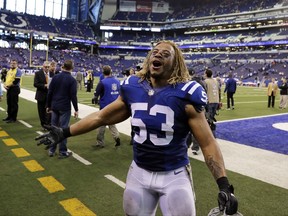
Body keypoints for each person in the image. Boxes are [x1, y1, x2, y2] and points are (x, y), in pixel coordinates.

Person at [36, 40, 238, 215]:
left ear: (175, 63)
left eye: (165, 54)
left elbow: (208, 143)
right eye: (155, 52)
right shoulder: (133, 87)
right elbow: (101, 117)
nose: (158, 54)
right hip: (139, 172)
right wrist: (65, 132)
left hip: (174, 174)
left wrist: (223, 185)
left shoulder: (186, 93)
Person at [46, 59, 79, 159]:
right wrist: (76, 109)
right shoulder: (72, 80)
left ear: (63, 67)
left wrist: (48, 105)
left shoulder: (55, 77)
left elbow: (50, 92)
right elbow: (73, 96)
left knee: (54, 128)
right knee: (63, 130)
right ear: (72, 68)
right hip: (65, 107)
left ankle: (51, 150)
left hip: (55, 106)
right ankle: (62, 151)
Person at [93, 65, 121, 148]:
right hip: (115, 106)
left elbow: (96, 95)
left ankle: (100, 142)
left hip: (104, 106)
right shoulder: (117, 81)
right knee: (112, 123)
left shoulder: (102, 82)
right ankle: (117, 137)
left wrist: (95, 99)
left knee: (101, 124)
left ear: (103, 72)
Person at [34, 61, 50, 129]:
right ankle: (43, 124)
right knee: (41, 111)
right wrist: (44, 85)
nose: (47, 68)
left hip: (49, 96)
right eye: (45, 67)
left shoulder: (52, 74)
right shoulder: (38, 73)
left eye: (48, 67)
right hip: (41, 95)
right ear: (43, 67)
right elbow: (35, 84)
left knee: (49, 111)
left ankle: (48, 124)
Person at [204, 69, 220, 135]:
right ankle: (212, 131)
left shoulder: (205, 81)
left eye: (204, 73)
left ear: (206, 74)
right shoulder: (216, 81)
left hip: (209, 101)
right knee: (212, 117)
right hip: (216, 100)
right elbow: (219, 90)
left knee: (208, 117)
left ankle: (209, 133)